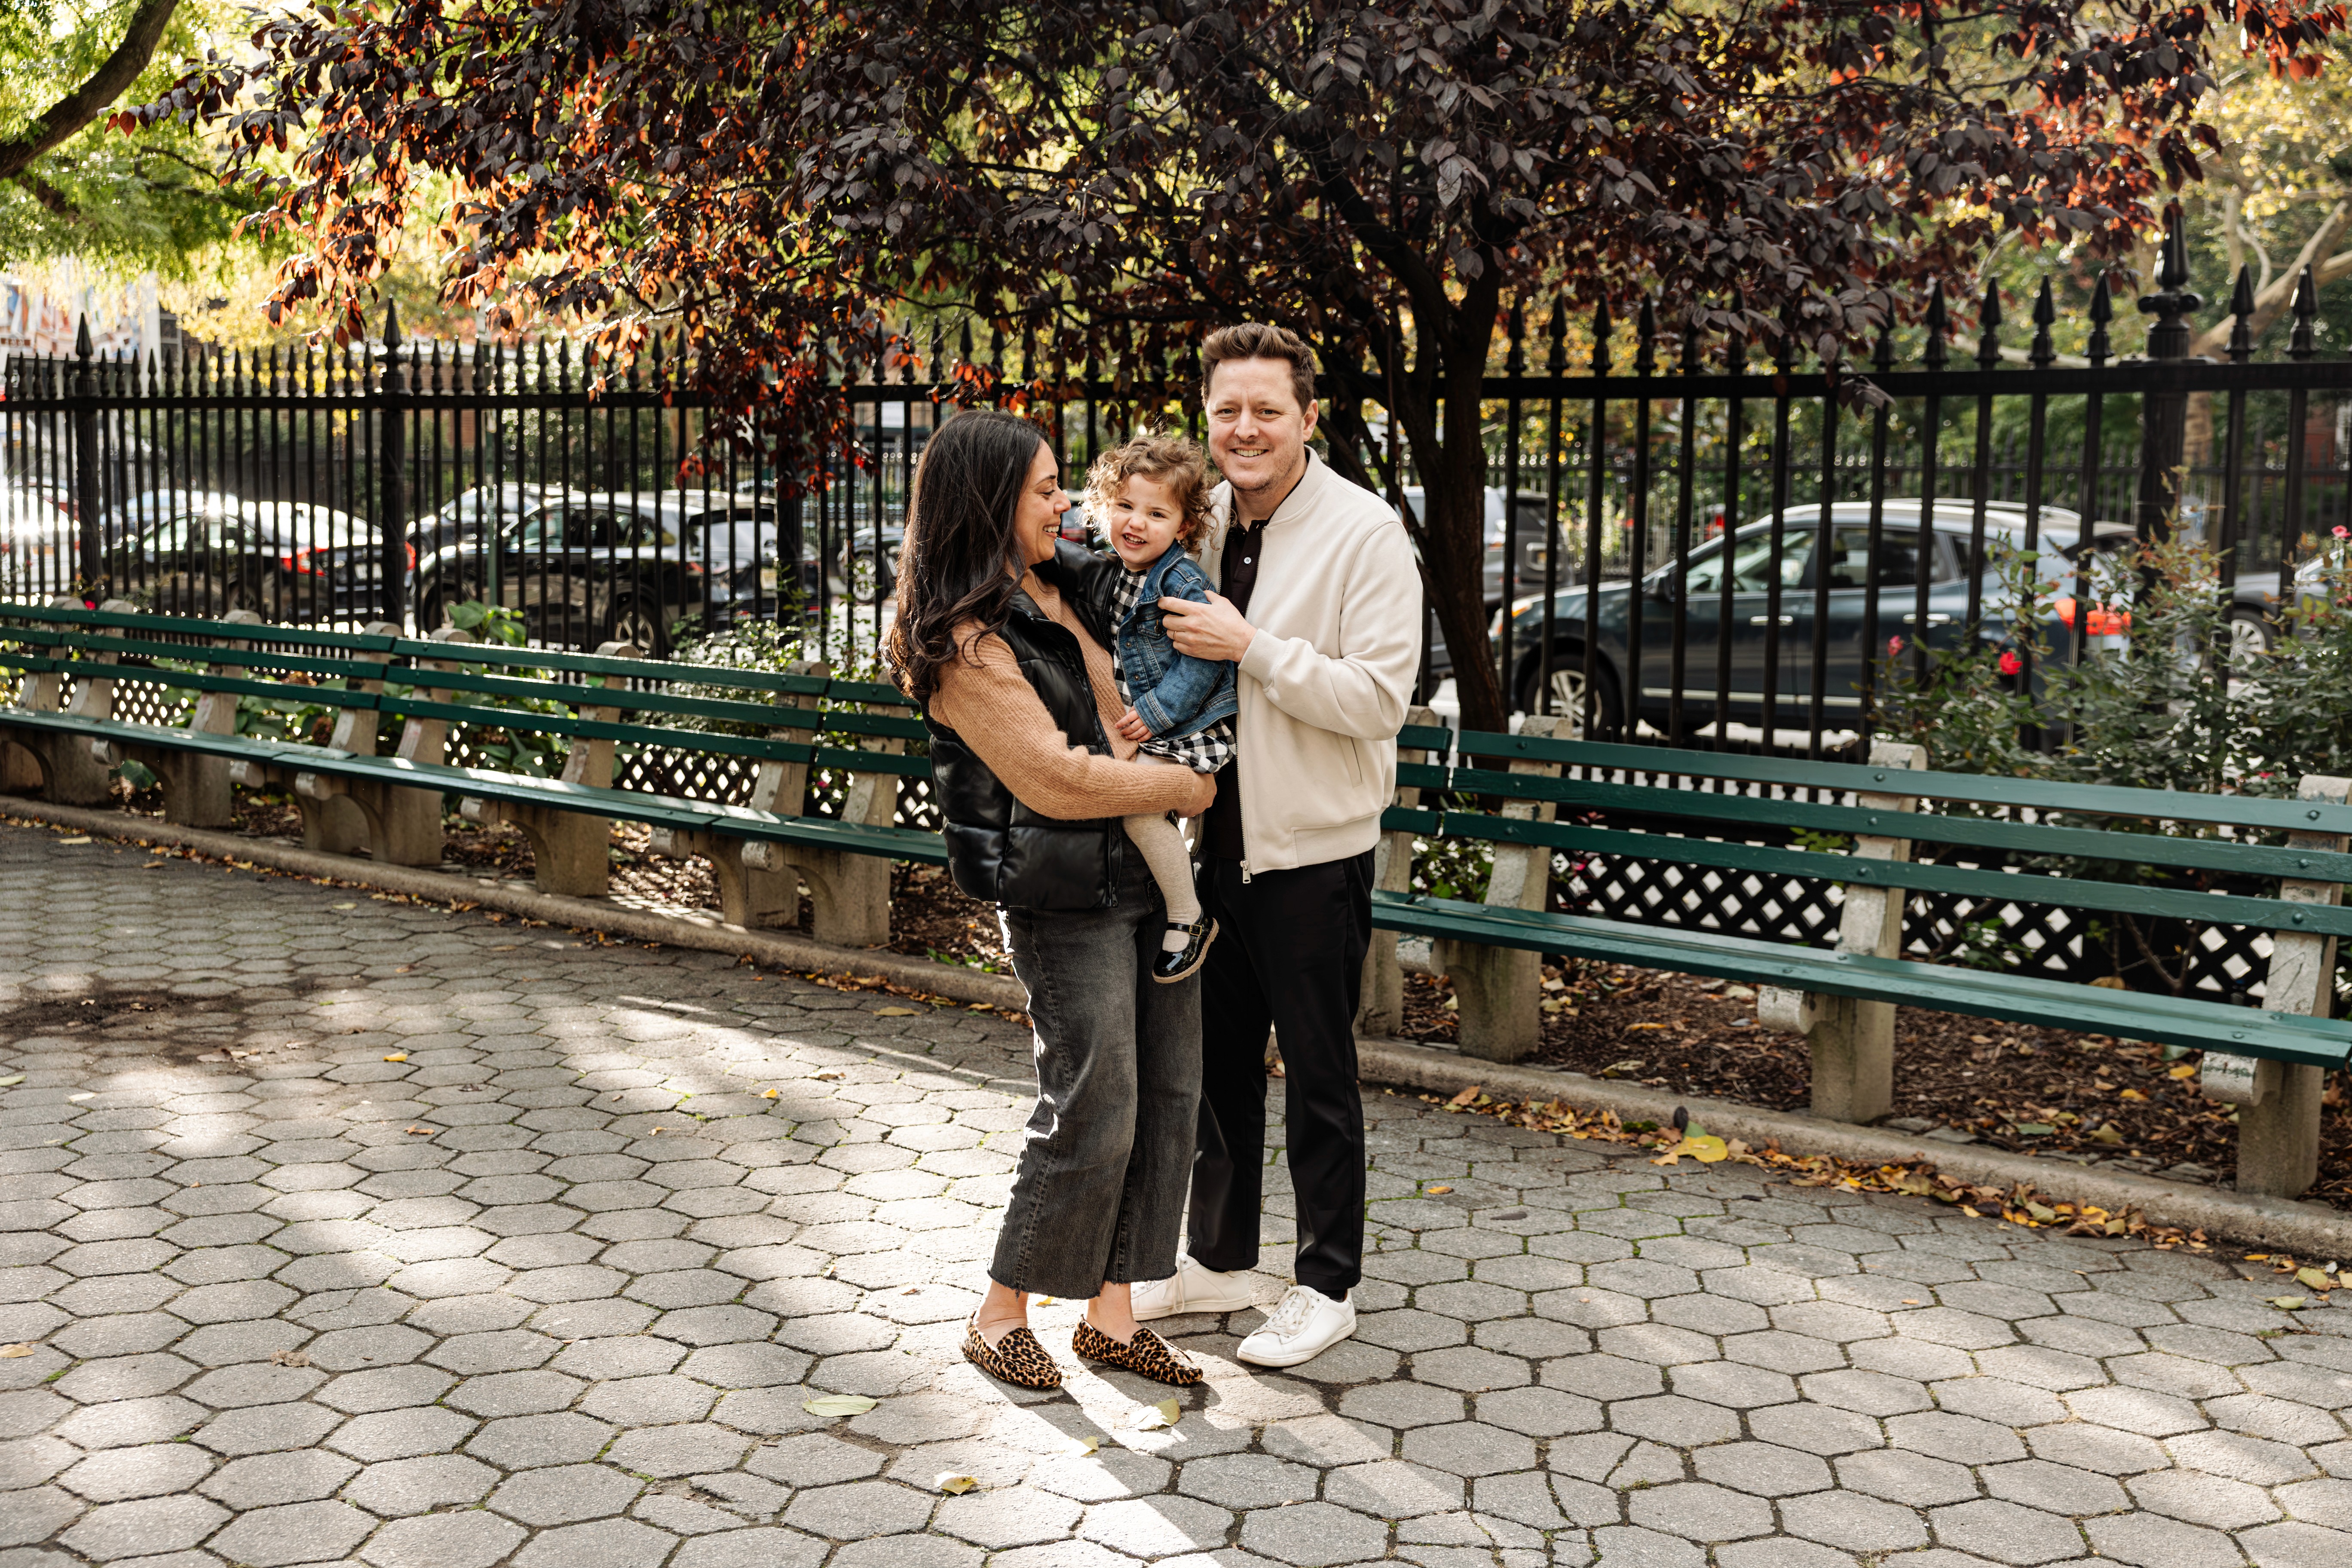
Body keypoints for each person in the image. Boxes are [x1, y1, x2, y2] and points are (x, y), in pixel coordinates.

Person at [887, 409, 1218, 1392]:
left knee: (1165, 1099)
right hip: (1064, 896)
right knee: (1093, 1104)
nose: (1066, 502)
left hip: (1147, 886)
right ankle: (998, 1317)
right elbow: (1053, 779)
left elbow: (1169, 536)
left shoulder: (1067, 579)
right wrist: (1181, 788)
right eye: (1042, 490)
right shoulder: (962, 640)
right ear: (989, 502)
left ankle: (1111, 1316)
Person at [1128, 323, 1421, 1369]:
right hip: (1212, 848)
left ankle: (1326, 1283)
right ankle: (1217, 1259)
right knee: (1214, 1074)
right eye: (1225, 411)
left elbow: (1379, 700)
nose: (1243, 428)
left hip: (1311, 855)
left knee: (1318, 1077)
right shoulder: (1200, 527)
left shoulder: (1366, 531)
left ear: (1307, 417)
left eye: (1265, 409)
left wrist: (1253, 648)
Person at [1082, 434, 1235, 983]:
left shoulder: (1180, 580)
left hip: (1185, 725)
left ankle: (1189, 916)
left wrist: (1158, 711)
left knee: (1139, 807)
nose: (1136, 523)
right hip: (1143, 725)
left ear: (1183, 527)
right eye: (1124, 506)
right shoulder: (1116, 571)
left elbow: (1205, 661)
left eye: (1155, 512)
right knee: (1146, 814)